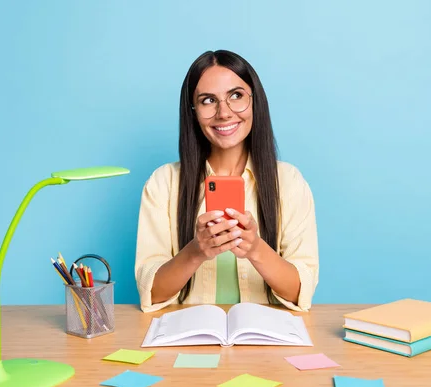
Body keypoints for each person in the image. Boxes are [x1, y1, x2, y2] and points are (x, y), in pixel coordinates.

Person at [134, 49, 319, 313]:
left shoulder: (288, 182)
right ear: (193, 111)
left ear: (255, 101)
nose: (224, 112)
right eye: (208, 100)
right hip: (190, 337)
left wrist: (256, 249)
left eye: (236, 96)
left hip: (265, 341)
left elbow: (302, 292)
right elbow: (151, 293)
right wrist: (196, 251)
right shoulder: (164, 182)